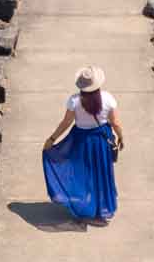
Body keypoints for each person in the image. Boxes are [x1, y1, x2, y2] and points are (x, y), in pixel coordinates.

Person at [41, 66, 124, 223]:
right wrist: (121, 138)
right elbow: (115, 123)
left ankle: (86, 206)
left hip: (80, 141)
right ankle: (101, 209)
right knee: (101, 173)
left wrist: (51, 139)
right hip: (101, 141)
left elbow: (66, 123)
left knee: (82, 173)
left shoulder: (74, 101)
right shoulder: (108, 99)